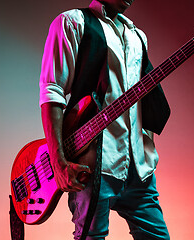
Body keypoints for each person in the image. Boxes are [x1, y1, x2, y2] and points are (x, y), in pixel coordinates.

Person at [39, 0, 170, 239]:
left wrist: (146, 147)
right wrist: (58, 162)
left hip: (137, 170)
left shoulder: (137, 36)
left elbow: (141, 99)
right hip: (92, 165)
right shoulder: (72, 22)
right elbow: (52, 90)